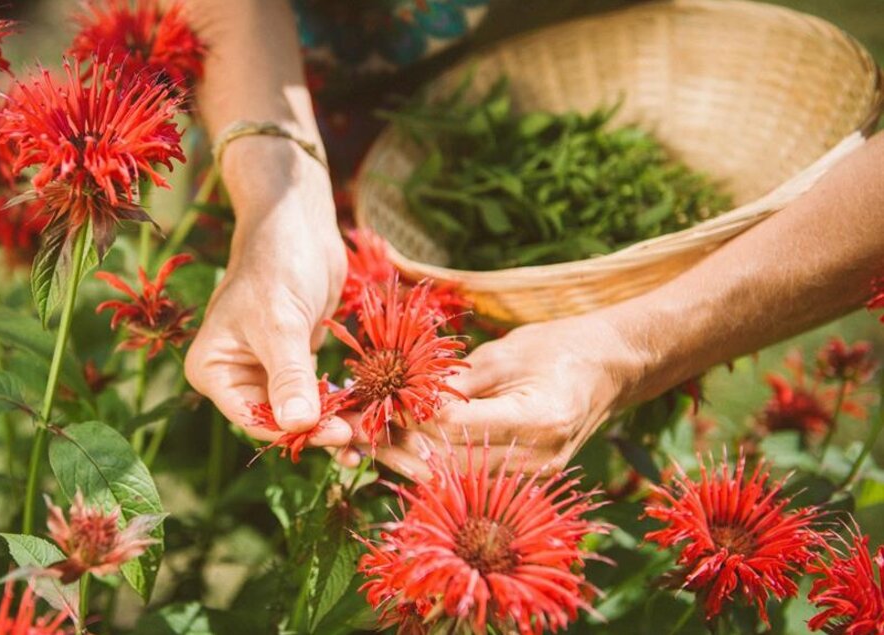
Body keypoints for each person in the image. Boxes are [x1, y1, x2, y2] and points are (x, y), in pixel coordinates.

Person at [179, 0, 884, 478]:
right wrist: (280, 202)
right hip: (284, 103)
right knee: (243, 460)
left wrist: (630, 350)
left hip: (624, 97)